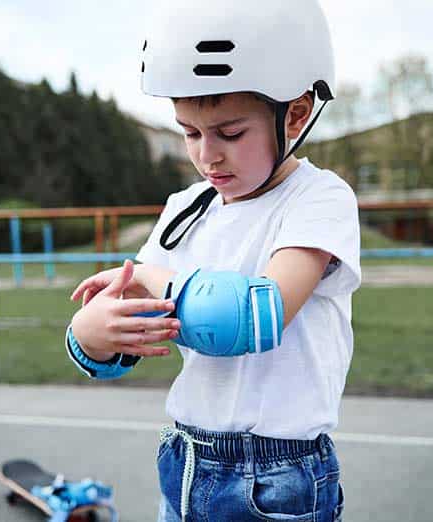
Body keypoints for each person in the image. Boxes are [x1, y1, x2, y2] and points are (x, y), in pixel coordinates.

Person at [66, 1, 361, 520]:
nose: (207, 156)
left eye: (230, 133)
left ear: (294, 112)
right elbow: (139, 318)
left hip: (276, 477)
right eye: (190, 132)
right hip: (182, 457)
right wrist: (92, 335)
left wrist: (157, 279)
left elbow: (254, 318)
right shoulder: (185, 208)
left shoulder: (319, 199)